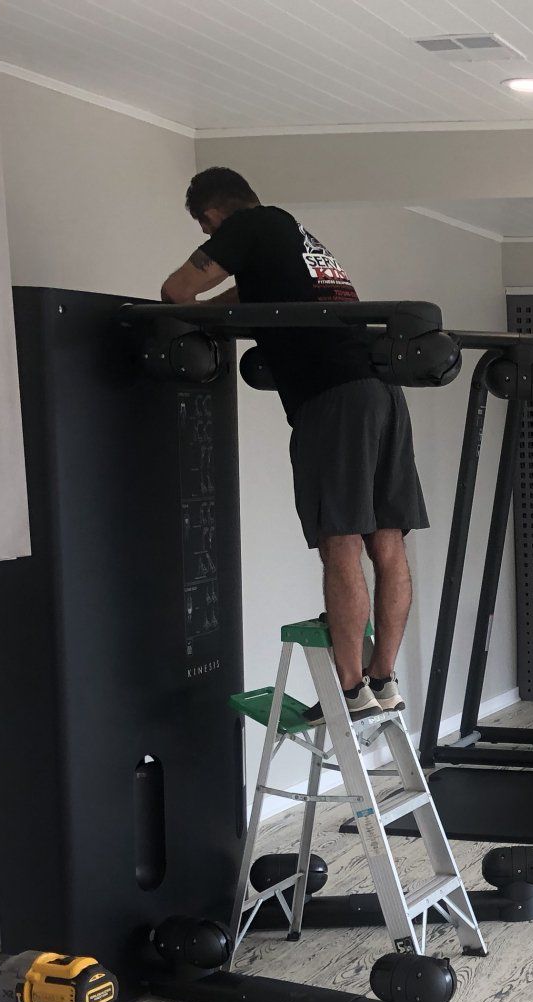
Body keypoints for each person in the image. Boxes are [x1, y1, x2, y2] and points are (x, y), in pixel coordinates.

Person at [161, 167, 423, 718]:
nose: (211, 238)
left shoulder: (251, 225)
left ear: (211, 216)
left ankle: (350, 692)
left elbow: (176, 291)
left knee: (341, 542)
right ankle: (383, 679)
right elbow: (243, 291)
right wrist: (226, 315)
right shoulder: (292, 238)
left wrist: (194, 316)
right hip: (380, 390)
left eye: (207, 230)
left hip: (332, 398)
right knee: (387, 541)